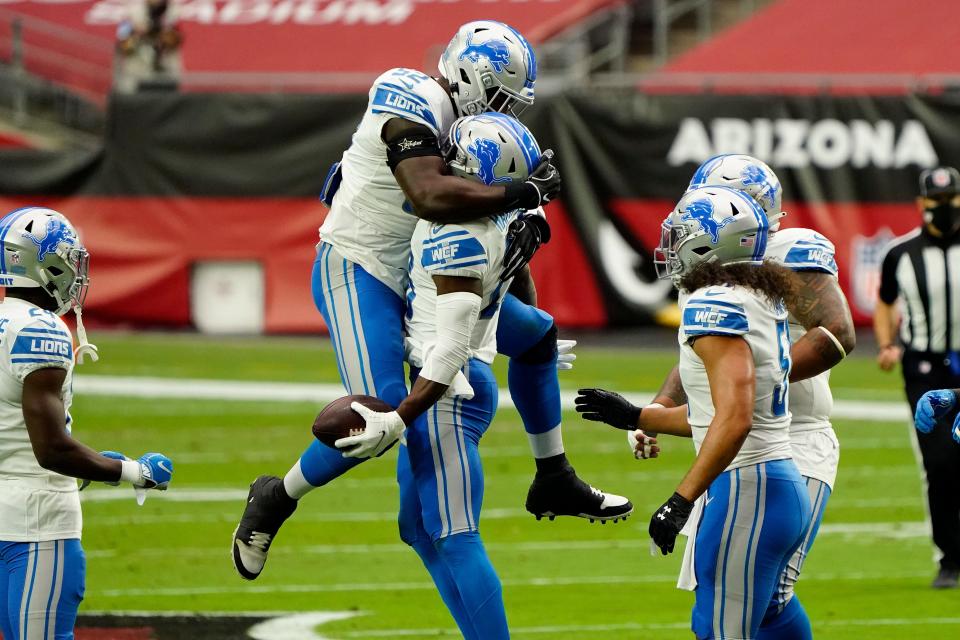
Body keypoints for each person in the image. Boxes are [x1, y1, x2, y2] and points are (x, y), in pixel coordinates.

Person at [232, 20, 631, 581]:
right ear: (468, 74)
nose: (503, 111)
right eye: (498, 96)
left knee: (537, 333)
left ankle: (554, 473)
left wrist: (517, 283)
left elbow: (500, 236)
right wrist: (524, 190)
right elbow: (429, 193)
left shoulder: (479, 137)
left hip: (426, 275)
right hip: (362, 267)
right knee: (381, 412)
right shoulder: (411, 97)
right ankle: (277, 496)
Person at [582, 155, 853, 637]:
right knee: (755, 605)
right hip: (742, 444)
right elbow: (706, 361)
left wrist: (759, 382)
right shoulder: (719, 280)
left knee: (755, 602)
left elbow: (836, 333)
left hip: (791, 440)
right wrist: (658, 409)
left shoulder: (777, 258)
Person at [339, 112, 542, 639]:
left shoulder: (459, 232)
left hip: (448, 390)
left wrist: (401, 416)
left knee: (455, 535)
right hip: (452, 377)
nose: (440, 160)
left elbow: (450, 346)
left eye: (455, 155)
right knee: (418, 531)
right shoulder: (493, 219)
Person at [0, 207, 173, 639]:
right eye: (68, 257)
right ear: (44, 262)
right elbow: (52, 450)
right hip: (37, 523)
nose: (76, 268)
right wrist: (132, 471)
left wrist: (90, 460)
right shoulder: (41, 330)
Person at [875, 165, 960, 589]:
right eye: (935, 200)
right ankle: (950, 556)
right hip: (925, 367)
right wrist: (888, 343)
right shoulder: (901, 252)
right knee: (941, 460)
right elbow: (886, 301)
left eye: (950, 200)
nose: (942, 208)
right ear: (920, 203)